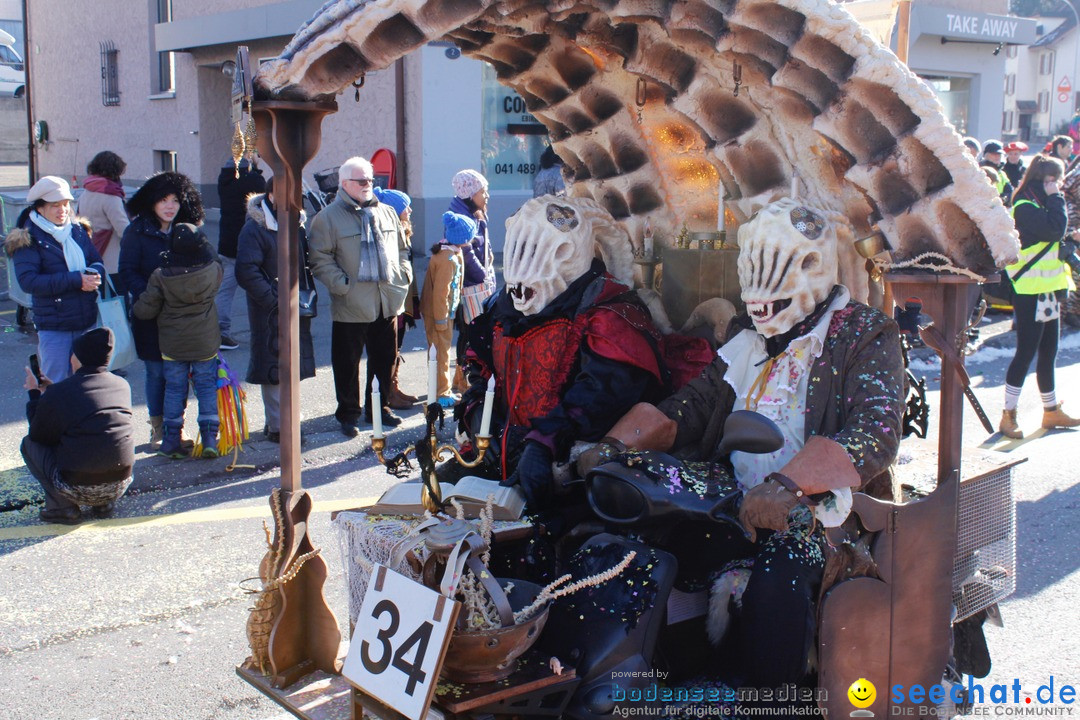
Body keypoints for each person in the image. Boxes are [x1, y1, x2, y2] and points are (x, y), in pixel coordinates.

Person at [586, 198, 904, 690]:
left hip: (825, 517)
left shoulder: (862, 332)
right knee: (655, 544)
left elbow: (876, 432)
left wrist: (788, 486)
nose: (759, 307)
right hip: (736, 500)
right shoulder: (747, 337)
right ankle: (667, 678)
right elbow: (690, 407)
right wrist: (610, 447)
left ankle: (769, 698)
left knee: (782, 570)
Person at [454, 197, 683, 508]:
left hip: (572, 475)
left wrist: (544, 443)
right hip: (499, 461)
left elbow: (601, 394)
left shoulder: (609, 315)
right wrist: (481, 410)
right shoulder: (504, 307)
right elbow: (485, 368)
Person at [307, 156, 413, 437]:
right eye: (362, 180)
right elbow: (319, 258)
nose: (369, 185)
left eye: (371, 179)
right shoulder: (328, 218)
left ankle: (378, 408)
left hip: (386, 299)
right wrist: (342, 285)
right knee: (347, 362)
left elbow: (402, 249)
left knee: (385, 358)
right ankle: (349, 414)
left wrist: (404, 275)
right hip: (351, 302)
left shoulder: (387, 212)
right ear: (345, 184)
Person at [119, 171, 204, 451]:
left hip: (182, 318)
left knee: (178, 374)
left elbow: (205, 266)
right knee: (157, 373)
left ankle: (175, 427)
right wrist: (152, 296)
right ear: (152, 202)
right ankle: (158, 427)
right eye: (163, 200)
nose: (170, 206)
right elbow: (127, 272)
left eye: (175, 200)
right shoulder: (137, 231)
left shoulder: (187, 231)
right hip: (150, 315)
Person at [999, 155, 1080, 438]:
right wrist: (1056, 197)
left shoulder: (1040, 203)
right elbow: (1056, 227)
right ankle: (1008, 415)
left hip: (1047, 289)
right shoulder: (1024, 206)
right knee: (1025, 352)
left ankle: (1051, 410)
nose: (1058, 185)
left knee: (1049, 351)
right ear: (1043, 180)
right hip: (1029, 290)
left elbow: (1057, 233)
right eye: (1054, 179)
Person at [21, 327, 134, 525]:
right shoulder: (121, 385)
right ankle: (103, 503)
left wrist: (35, 395)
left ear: (78, 359)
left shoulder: (62, 392)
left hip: (77, 486)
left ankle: (62, 506)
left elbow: (38, 434)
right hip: (119, 485)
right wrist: (52, 390)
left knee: (29, 444)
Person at [235, 176, 317, 443]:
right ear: (271, 195)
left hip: (295, 306)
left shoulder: (297, 224)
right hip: (268, 310)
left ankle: (287, 422)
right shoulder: (255, 228)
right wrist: (274, 300)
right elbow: (246, 271)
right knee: (274, 367)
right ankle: (279, 426)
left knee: (291, 366)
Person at [133, 224, 223, 458]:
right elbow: (214, 258)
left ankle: (171, 439)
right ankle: (210, 437)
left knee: (174, 389)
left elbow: (145, 310)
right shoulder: (213, 269)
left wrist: (135, 307)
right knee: (205, 387)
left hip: (172, 344)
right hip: (205, 341)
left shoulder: (161, 275)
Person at [6, 176, 104, 383]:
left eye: (66, 204)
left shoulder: (77, 230)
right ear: (40, 209)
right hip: (54, 326)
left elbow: (96, 260)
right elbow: (29, 282)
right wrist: (77, 280)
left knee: (86, 385)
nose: (63, 210)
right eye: (55, 205)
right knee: (56, 385)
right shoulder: (28, 237)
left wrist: (94, 274)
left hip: (86, 320)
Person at [372, 186, 421, 409]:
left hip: (403, 297)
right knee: (389, 349)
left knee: (397, 346)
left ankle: (394, 386)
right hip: (393, 299)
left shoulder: (404, 230)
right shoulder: (388, 232)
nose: (410, 210)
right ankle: (387, 392)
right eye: (405, 207)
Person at [449, 169, 496, 392]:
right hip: (472, 285)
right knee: (470, 332)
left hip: (479, 283)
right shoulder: (462, 217)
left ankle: (465, 376)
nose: (487, 196)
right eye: (482, 191)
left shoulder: (475, 212)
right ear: (469, 193)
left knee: (473, 331)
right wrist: (483, 275)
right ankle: (463, 378)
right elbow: (466, 253)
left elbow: (481, 246)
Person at [421, 212, 471, 406]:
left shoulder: (450, 252)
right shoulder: (447, 259)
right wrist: (441, 321)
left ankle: (440, 388)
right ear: (462, 238)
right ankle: (442, 393)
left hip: (442, 312)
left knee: (440, 351)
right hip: (438, 313)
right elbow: (440, 293)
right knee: (441, 353)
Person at [216, 157, 266, 350]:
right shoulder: (251, 181)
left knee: (225, 291)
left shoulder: (224, 181)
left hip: (226, 244)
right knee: (259, 287)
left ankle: (220, 332)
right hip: (247, 244)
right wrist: (257, 169)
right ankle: (262, 330)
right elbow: (260, 189)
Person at [76, 151, 130, 286]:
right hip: (113, 261)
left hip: (92, 256)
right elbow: (124, 230)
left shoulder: (86, 192)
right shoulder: (110, 196)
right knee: (117, 302)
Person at [980, 140, 1013, 206]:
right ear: (986, 155)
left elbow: (1010, 192)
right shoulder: (980, 171)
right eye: (994, 154)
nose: (997, 157)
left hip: (1000, 208)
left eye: (999, 154)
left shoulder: (1002, 174)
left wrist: (1002, 199)